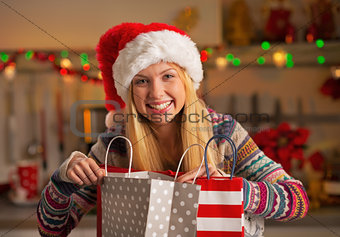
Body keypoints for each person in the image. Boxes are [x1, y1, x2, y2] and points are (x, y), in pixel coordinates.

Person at [37, 22, 309, 236]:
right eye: (142, 81)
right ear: (130, 91)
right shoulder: (116, 146)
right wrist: (61, 181)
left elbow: (296, 200)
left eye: (168, 76)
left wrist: (231, 188)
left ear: (187, 82)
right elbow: (53, 230)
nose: (156, 93)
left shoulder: (223, 133)